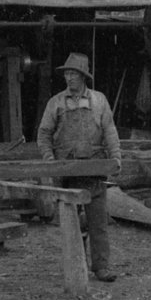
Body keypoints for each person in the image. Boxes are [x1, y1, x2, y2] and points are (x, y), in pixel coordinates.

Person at [35, 52, 121, 283]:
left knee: (98, 223)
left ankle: (101, 267)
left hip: (94, 171)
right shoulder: (56, 103)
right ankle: (77, 264)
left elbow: (110, 131)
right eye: (67, 74)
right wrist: (49, 158)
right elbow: (44, 134)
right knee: (72, 223)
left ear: (83, 77)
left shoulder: (99, 100)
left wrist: (116, 157)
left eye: (73, 74)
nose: (69, 78)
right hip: (68, 173)